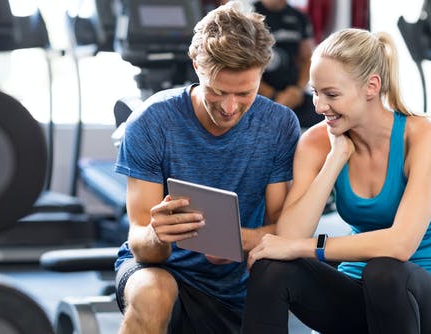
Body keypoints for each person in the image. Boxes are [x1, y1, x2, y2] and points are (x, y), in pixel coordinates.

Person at [240, 28, 431, 334]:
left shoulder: (422, 135)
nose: (319, 106)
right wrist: (335, 159)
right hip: (355, 293)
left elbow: (399, 245)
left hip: (426, 299)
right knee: (272, 267)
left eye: (331, 94)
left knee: (384, 271)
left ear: (372, 86)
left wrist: (305, 247)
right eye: (315, 92)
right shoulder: (317, 141)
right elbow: (289, 235)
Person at [112, 2, 300, 333]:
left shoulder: (279, 125)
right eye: (217, 91)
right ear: (196, 64)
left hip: (242, 280)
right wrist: (158, 235)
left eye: (245, 93)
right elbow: (139, 239)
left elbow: (283, 228)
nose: (229, 108)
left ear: (262, 72)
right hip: (163, 270)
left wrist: (238, 241)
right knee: (152, 293)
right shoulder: (152, 121)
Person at [253, 0, 322, 127]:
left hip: (293, 95)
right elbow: (242, 64)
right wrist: (273, 95)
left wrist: (297, 90)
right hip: (257, 95)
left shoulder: (299, 17)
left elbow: (307, 58)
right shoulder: (248, 14)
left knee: (325, 116)